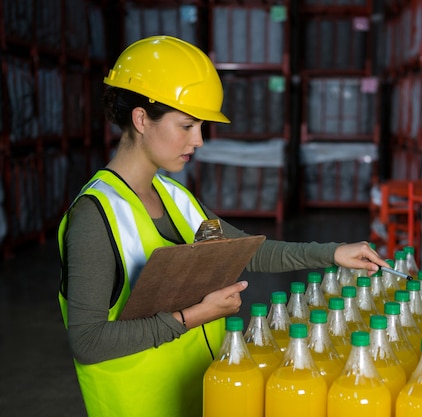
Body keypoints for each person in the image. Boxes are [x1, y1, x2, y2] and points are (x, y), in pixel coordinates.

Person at [57, 35, 388, 417]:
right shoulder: (95, 215)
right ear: (141, 119)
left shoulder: (174, 196)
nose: (198, 140)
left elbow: (248, 250)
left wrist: (331, 253)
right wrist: (195, 315)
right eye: (186, 125)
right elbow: (88, 340)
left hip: (198, 398)